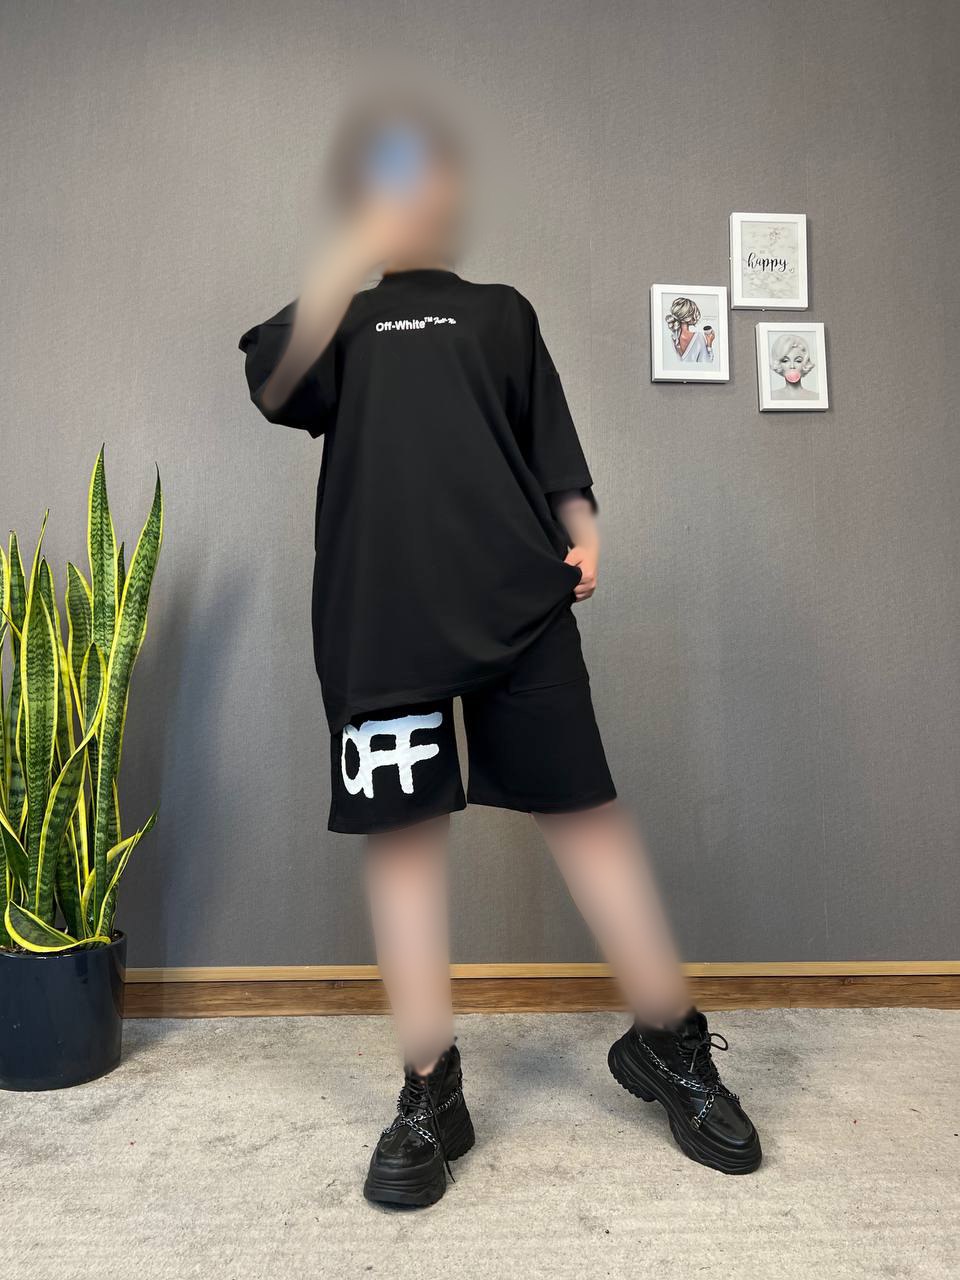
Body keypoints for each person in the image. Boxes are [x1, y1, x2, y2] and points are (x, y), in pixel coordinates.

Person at [239, 97, 761, 1208]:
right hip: (383, 622)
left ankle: (667, 1041)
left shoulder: (502, 312)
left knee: (587, 815)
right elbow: (275, 379)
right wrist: (347, 254)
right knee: (404, 846)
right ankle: (430, 1085)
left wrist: (582, 524)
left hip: (519, 604)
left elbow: (548, 438)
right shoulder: (343, 322)